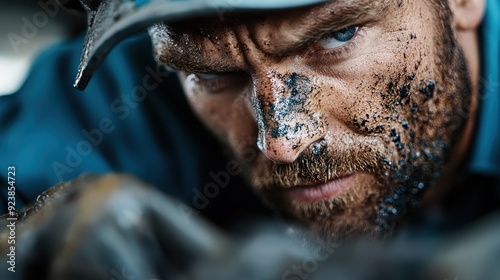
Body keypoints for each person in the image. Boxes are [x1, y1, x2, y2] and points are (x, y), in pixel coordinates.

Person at [0, 0, 499, 278]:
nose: (283, 141)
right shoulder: (137, 78)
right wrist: (26, 245)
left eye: (337, 36)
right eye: (215, 75)